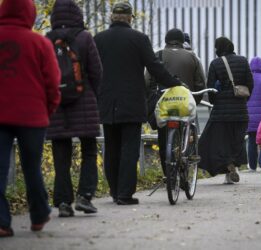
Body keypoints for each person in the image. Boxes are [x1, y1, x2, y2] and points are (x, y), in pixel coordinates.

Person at [94, 2, 180, 205]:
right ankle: (125, 194)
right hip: (131, 103)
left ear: (112, 17)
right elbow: (155, 67)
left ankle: (115, 192)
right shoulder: (139, 39)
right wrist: (175, 83)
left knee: (112, 148)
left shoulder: (98, 39)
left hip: (106, 102)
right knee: (129, 149)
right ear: (130, 18)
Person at [0, 0, 61, 237]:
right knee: (32, 168)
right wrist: (49, 110)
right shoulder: (39, 43)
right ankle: (39, 214)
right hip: (33, 116)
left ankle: (3, 222)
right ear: (30, 14)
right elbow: (52, 82)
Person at [46, 0, 103, 217]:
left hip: (57, 105)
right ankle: (85, 196)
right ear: (77, 15)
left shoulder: (47, 40)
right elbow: (97, 71)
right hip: (84, 101)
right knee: (89, 150)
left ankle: (62, 202)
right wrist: (93, 96)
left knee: (61, 155)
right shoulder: (85, 37)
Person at [145, 28, 206, 177]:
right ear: (181, 41)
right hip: (184, 103)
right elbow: (200, 83)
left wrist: (151, 98)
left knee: (163, 138)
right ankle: (188, 156)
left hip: (164, 103)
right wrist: (194, 101)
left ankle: (168, 175)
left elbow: (147, 81)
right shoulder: (192, 57)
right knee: (188, 129)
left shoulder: (158, 55)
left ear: (166, 40)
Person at [198, 37, 253, 184]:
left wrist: (216, 102)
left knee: (218, 142)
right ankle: (231, 170)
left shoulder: (215, 63)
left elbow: (210, 88)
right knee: (237, 142)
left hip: (221, 112)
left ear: (219, 48)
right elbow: (249, 84)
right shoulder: (243, 61)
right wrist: (242, 101)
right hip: (241, 111)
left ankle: (228, 165)